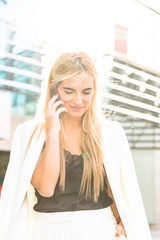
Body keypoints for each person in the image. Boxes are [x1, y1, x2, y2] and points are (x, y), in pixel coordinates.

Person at [0, 52, 152, 240]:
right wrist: (52, 132)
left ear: (95, 90)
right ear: (54, 88)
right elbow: (46, 188)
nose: (79, 101)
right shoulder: (30, 134)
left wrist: (123, 222)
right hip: (48, 232)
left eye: (86, 92)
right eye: (69, 91)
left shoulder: (111, 133)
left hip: (100, 230)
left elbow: (121, 192)